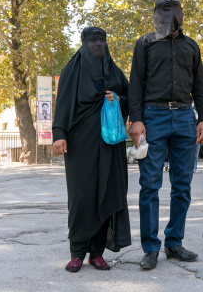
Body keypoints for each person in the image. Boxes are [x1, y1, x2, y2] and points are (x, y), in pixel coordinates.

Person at [129, 0, 203, 270]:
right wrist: (136, 120)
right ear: (156, 13)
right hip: (153, 118)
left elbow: (200, 86)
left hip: (186, 118)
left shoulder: (191, 46)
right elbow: (136, 84)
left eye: (174, 9)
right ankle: (150, 248)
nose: (170, 14)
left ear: (181, 13)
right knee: (149, 186)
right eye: (164, 10)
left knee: (182, 185)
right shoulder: (145, 43)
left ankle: (174, 243)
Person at [52, 27, 131, 273]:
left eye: (102, 41)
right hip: (80, 143)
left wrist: (118, 99)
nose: (98, 45)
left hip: (111, 144)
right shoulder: (71, 71)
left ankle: (96, 254)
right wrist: (59, 134)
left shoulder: (115, 72)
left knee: (107, 193)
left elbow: (131, 97)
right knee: (82, 196)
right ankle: (77, 252)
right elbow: (63, 102)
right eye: (93, 41)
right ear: (84, 43)